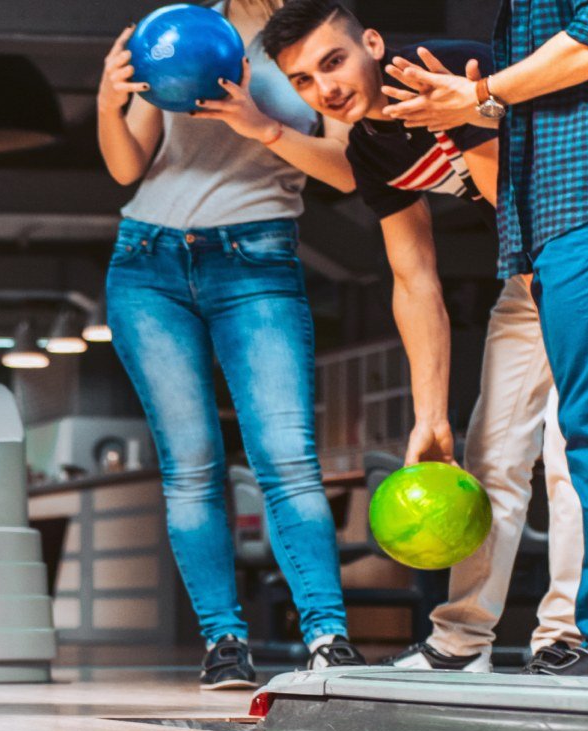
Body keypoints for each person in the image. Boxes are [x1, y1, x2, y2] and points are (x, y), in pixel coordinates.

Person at [260, 0, 588, 680]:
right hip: (528, 275)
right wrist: (431, 420)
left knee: (570, 444)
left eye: (333, 61)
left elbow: (515, 187)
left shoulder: (443, 71)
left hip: (586, 240)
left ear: (372, 42)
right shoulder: (372, 147)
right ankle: (462, 641)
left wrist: (474, 105)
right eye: (304, 82)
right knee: (489, 449)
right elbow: (415, 281)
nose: (326, 88)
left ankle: (568, 634)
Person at [97, 0, 367, 690]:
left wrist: (263, 126)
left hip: (258, 258)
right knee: (190, 464)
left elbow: (344, 168)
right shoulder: (181, 26)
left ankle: (327, 636)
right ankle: (223, 641)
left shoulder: (316, 34)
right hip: (147, 262)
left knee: (286, 458)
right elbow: (126, 166)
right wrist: (109, 98)